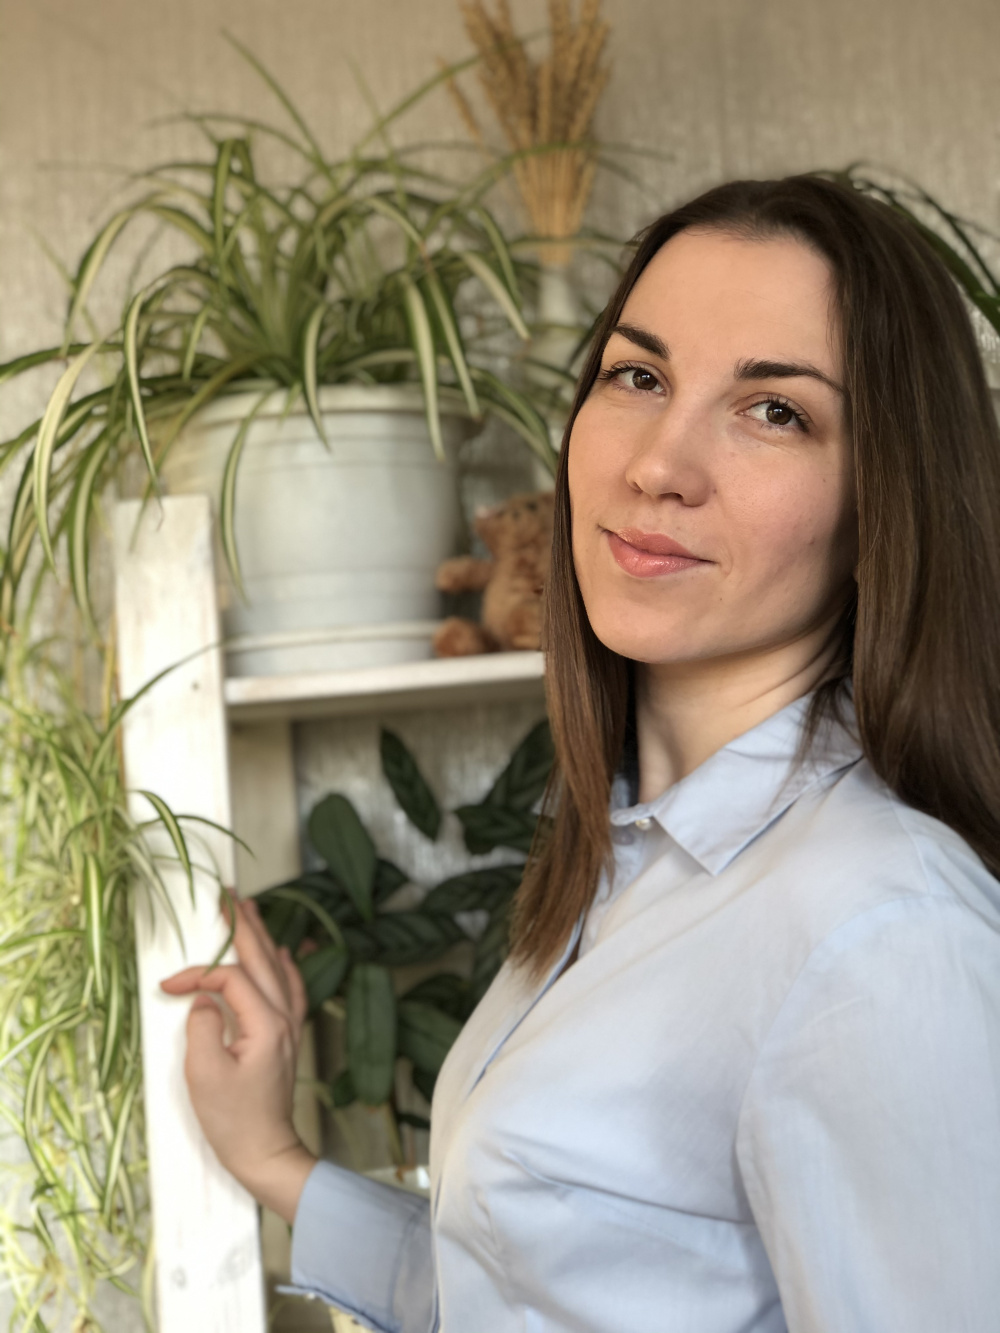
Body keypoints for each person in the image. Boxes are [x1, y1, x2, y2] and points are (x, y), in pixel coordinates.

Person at [161, 175, 1000, 1333]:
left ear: (884, 503)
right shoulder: (626, 860)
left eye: (773, 410)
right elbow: (529, 1281)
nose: (658, 463)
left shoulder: (881, 932)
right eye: (638, 377)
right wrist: (275, 1158)